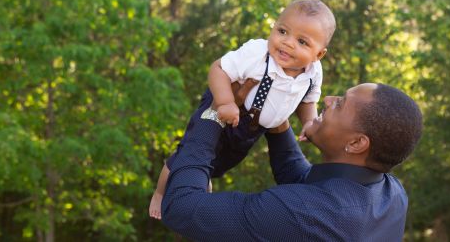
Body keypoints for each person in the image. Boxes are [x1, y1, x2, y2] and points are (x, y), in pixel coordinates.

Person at [161, 81, 423, 241]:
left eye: (341, 104)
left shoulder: (306, 216)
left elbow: (181, 208)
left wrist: (214, 112)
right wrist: (277, 118)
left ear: (356, 143)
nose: (329, 100)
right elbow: (302, 179)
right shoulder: (390, 192)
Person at [149, 0, 337, 219]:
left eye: (302, 42)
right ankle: (161, 192)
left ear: (319, 54)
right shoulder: (258, 54)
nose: (287, 43)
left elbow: (308, 101)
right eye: (282, 31)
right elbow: (218, 68)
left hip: (251, 129)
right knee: (188, 153)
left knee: (222, 162)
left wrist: (309, 122)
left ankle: (202, 174)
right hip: (225, 106)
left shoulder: (313, 72)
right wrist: (225, 101)